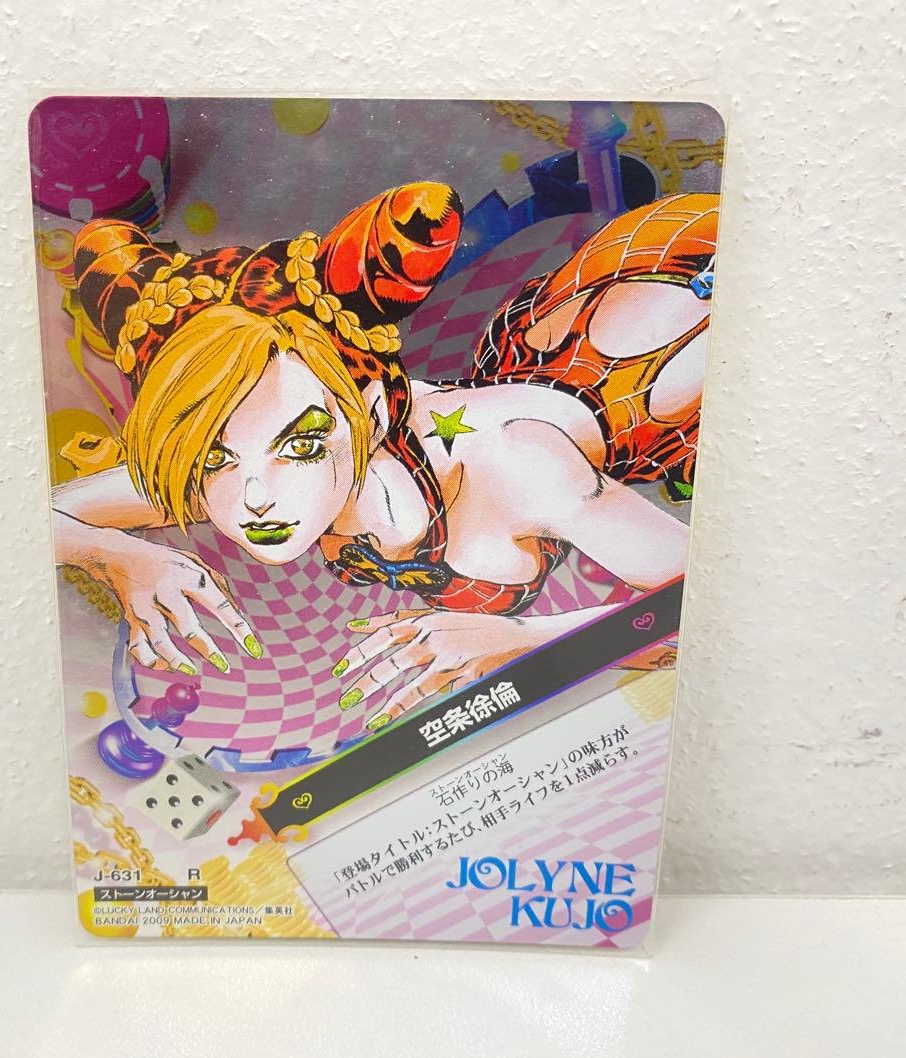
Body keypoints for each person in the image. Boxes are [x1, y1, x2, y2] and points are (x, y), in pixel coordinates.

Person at [52, 183, 717, 731]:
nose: (253, 498)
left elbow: (703, 610)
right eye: (213, 457)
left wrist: (524, 640)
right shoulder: (248, 464)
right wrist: (120, 558)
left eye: (301, 445)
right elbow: (39, 517)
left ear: (369, 414)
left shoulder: (519, 465)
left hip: (661, 361)